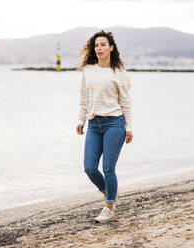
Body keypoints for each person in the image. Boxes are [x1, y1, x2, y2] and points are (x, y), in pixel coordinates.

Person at [76, 30, 133, 222]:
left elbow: (126, 102)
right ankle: (109, 192)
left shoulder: (119, 74)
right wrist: (81, 120)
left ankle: (109, 207)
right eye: (96, 45)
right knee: (89, 168)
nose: (99, 48)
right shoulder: (88, 70)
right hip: (93, 125)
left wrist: (129, 127)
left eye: (103, 44)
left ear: (111, 48)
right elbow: (84, 99)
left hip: (114, 124)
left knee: (108, 168)